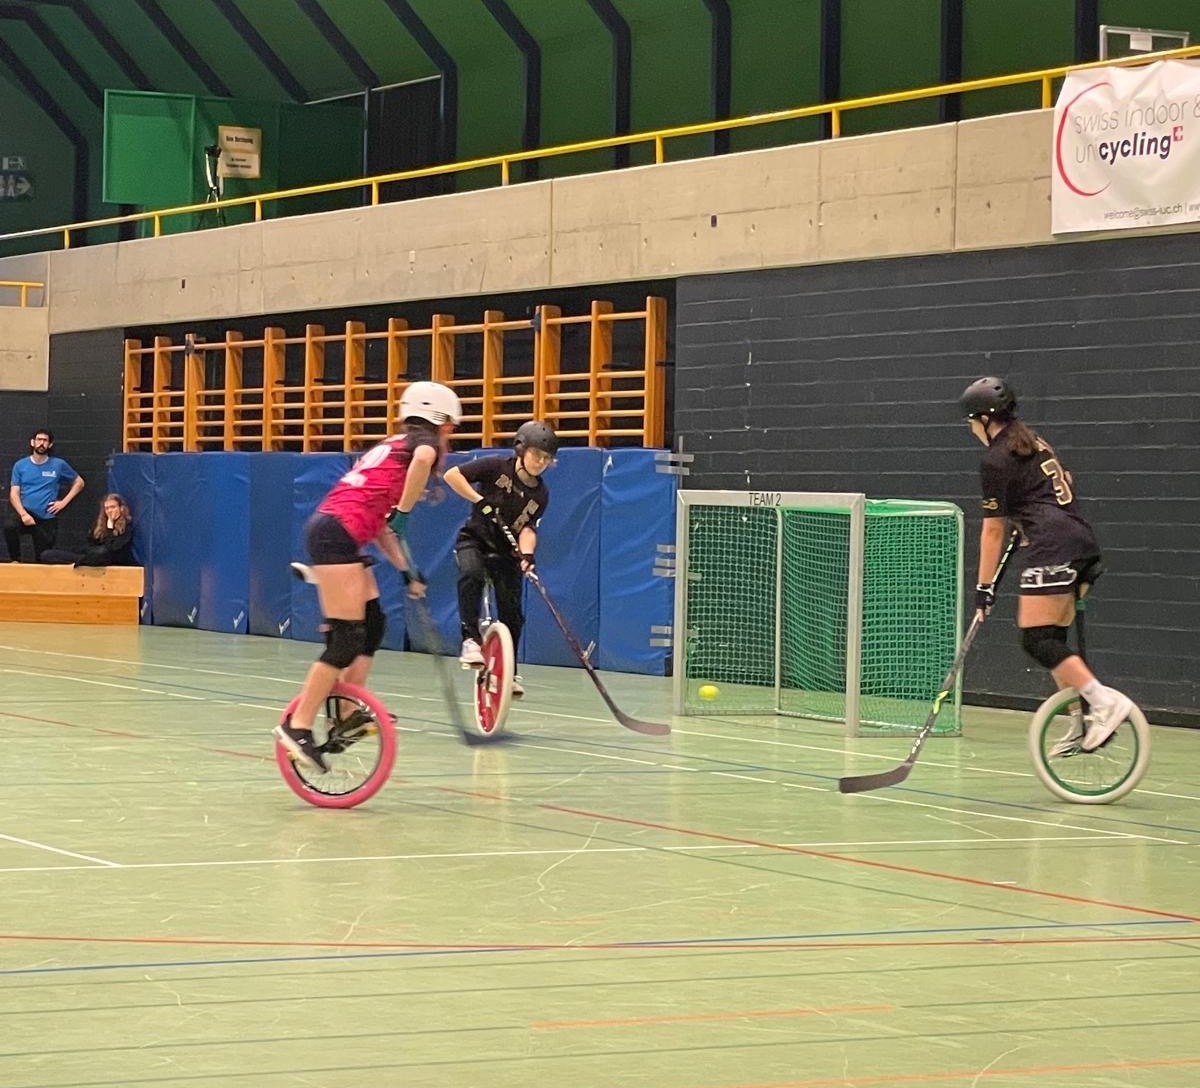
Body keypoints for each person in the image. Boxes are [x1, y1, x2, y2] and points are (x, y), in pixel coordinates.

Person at [274, 381, 463, 773]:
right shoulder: (418, 445)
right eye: (450, 429)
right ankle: (298, 724)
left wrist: (407, 571)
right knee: (346, 638)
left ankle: (345, 712)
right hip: (335, 535)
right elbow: (425, 460)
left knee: (373, 623)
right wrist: (407, 510)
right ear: (439, 421)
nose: (449, 439)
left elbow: (381, 527)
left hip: (341, 532)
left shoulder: (391, 449)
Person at [960, 376, 1132, 751]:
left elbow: (992, 531)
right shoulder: (1033, 441)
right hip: (1080, 542)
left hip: (1054, 549)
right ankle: (1081, 721)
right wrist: (1026, 526)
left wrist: (983, 588)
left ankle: (1103, 702)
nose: (971, 428)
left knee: (1036, 640)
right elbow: (1054, 488)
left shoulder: (995, 458)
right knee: (1052, 639)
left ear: (985, 420)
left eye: (971, 421)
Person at [443, 419, 557, 697]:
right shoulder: (495, 466)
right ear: (521, 448)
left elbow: (528, 528)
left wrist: (527, 554)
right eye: (537, 455)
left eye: (547, 459)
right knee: (470, 574)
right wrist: (478, 500)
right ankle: (470, 640)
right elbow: (452, 475)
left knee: (513, 614)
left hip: (506, 551)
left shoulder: (541, 494)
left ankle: (509, 671)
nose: (541, 463)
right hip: (475, 540)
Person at [5, 430, 85, 562]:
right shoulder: (20, 465)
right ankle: (15, 560)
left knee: (44, 557)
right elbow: (14, 493)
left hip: (46, 517)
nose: (41, 443)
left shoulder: (58, 464)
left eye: (45, 440)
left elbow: (79, 482)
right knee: (10, 526)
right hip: (26, 513)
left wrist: (63, 502)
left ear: (50, 444)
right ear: (32, 442)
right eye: (39, 439)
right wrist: (23, 514)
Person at [40, 493, 134, 566]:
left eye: (113, 507)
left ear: (121, 508)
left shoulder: (127, 526)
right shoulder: (100, 524)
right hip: (89, 557)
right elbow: (90, 544)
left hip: (108, 559)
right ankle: (82, 561)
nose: (109, 511)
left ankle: (82, 562)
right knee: (47, 554)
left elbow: (112, 549)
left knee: (101, 553)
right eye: (107, 508)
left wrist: (110, 527)